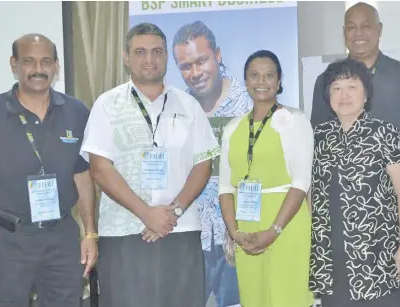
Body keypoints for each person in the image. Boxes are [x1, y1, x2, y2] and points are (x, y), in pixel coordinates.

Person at [80, 23, 219, 307]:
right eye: (140, 52)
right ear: (126, 57)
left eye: (157, 51)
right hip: (124, 233)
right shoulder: (107, 105)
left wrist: (173, 211)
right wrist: (146, 214)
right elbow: (100, 169)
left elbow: (203, 163)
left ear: (167, 56)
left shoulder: (189, 105)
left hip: (179, 230)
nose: (149, 59)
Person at [0, 34, 97, 307]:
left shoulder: (76, 111)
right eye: (29, 61)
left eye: (46, 61)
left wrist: (90, 234)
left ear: (56, 66)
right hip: (7, 241)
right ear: (14, 64)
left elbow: (83, 175)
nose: (38, 69)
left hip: (61, 238)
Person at [309, 58, 400, 307]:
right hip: (331, 256)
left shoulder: (384, 133)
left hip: (378, 256)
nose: (343, 95)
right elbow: (312, 193)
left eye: (352, 87)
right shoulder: (320, 137)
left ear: (366, 94)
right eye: (336, 88)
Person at [218, 50, 314, 307]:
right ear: (246, 81)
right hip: (246, 231)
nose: (262, 81)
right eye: (254, 75)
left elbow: (301, 183)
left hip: (287, 225)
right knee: (253, 299)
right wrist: (235, 232)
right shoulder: (233, 128)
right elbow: (225, 187)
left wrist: (274, 231)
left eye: (269, 75)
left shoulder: (295, 120)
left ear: (280, 81)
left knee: (287, 298)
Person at [172, 20, 251, 307]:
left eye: (201, 61)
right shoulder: (176, 110)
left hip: (241, 238)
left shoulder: (251, 103)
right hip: (192, 239)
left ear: (217, 56)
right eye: (185, 66)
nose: (195, 73)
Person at [310, 2, 400, 140]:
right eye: (352, 27)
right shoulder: (326, 80)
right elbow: (319, 135)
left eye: (366, 26)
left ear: (379, 29)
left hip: (398, 161)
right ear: (344, 32)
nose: (358, 33)